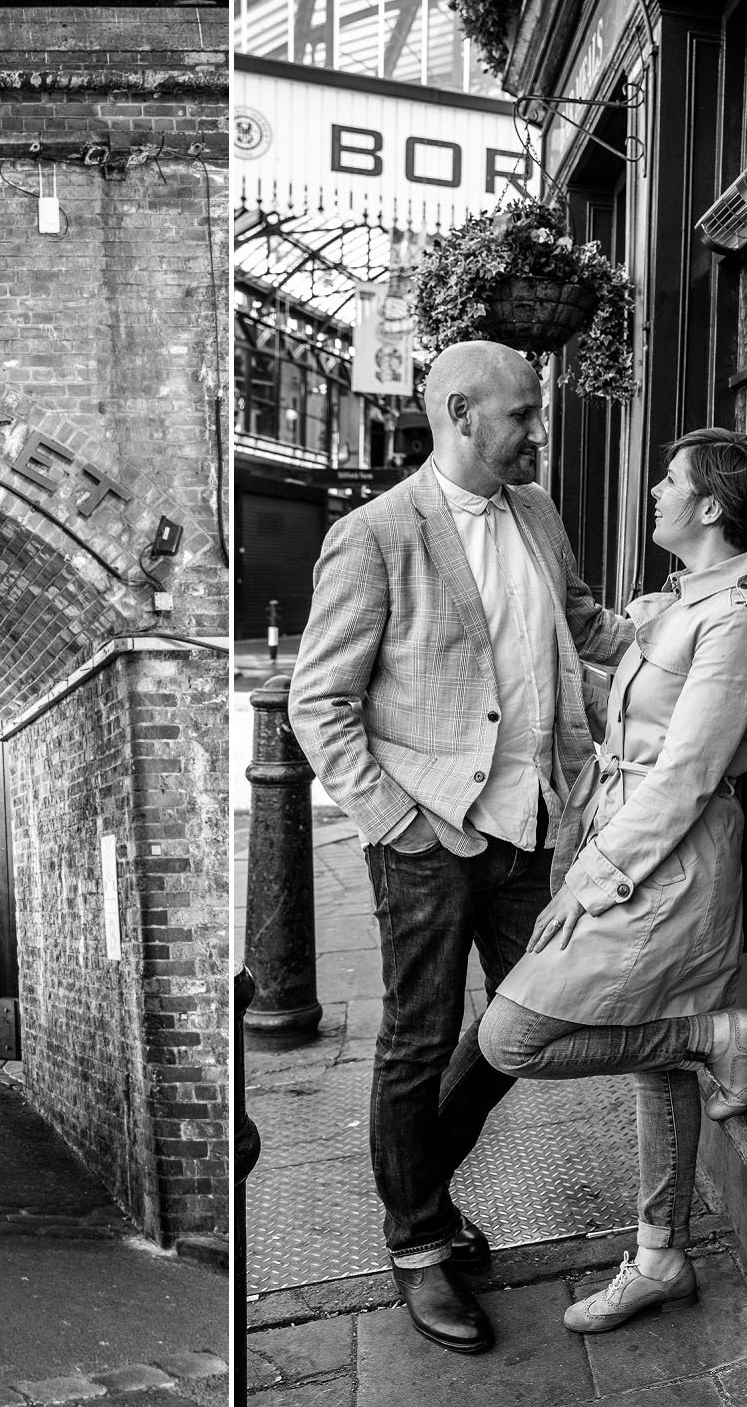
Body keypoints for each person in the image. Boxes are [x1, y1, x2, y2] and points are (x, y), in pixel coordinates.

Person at [289, 339, 633, 1355]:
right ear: (458, 412)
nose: (536, 430)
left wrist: (688, 628)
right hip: (427, 833)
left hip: (529, 821)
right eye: (521, 413)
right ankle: (415, 1243)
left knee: (527, 1020)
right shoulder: (374, 534)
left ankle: (419, 1192)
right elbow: (319, 702)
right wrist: (397, 822)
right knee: (418, 1035)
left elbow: (578, 622)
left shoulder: (535, 511)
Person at [480, 426, 747, 1334]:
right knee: (650, 1060)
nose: (653, 489)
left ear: (708, 508)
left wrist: (587, 880)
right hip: (623, 840)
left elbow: (688, 775)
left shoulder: (738, 620)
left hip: (668, 864)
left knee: (513, 1036)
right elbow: (631, 695)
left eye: (669, 479)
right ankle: (661, 1256)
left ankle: (712, 1026)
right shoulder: (689, 603)